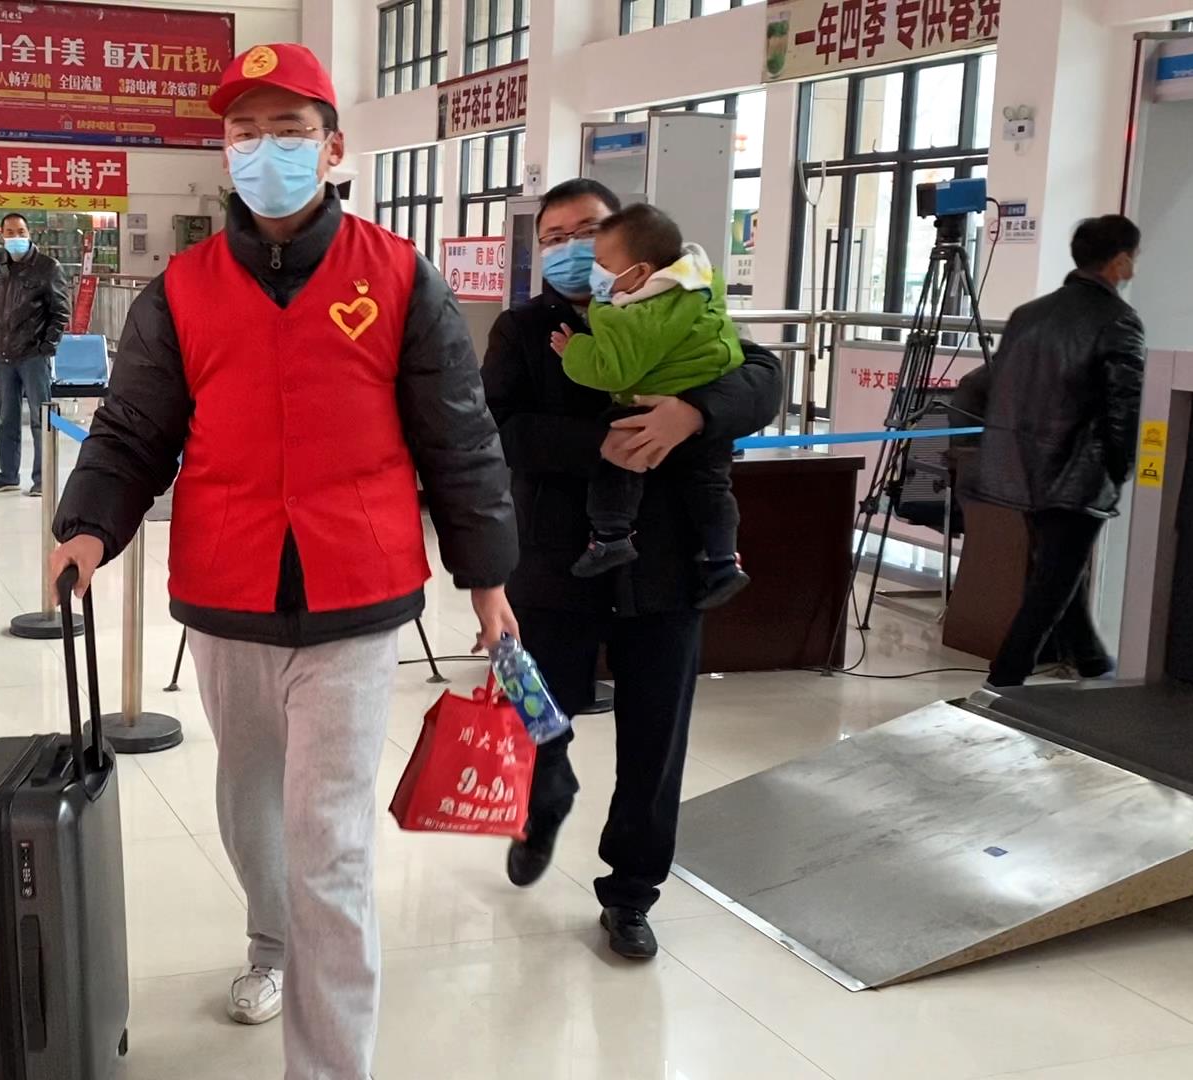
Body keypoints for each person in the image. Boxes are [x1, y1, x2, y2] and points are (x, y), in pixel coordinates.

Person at [48, 43, 519, 1079]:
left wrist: (486, 577)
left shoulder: (399, 277)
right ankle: (271, 942)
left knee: (330, 841)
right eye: (246, 132)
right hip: (228, 593)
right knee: (251, 803)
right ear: (226, 152)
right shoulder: (182, 290)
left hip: (358, 598)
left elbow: (459, 436)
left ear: (333, 148)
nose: (267, 150)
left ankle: (331, 1065)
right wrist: (87, 527)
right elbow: (133, 429)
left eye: (290, 131)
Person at [481, 178, 782, 960]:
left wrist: (695, 412)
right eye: (554, 236)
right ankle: (543, 796)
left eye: (588, 230)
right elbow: (499, 428)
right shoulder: (525, 329)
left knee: (656, 740)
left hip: (665, 564)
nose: (573, 248)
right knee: (531, 706)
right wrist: (602, 445)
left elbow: (762, 377)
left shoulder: (684, 303)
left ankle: (631, 892)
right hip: (551, 561)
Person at [970, 215, 1145, 688]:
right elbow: (1124, 406)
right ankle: (1005, 677)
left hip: (1025, 466)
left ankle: (1091, 661)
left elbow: (995, 387)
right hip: (1079, 470)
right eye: (1133, 257)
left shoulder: (1028, 314)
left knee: (1060, 569)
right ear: (1120, 261)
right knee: (1054, 580)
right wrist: (1122, 467)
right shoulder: (1118, 320)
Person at [549, 203, 748, 607]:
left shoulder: (640, 312)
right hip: (706, 415)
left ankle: (611, 535)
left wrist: (576, 350)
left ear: (641, 271)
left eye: (602, 261)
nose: (590, 266)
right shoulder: (697, 289)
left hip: (651, 406)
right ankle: (723, 561)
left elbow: (614, 370)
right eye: (553, 238)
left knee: (617, 459)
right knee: (712, 488)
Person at [0, 212, 70, 496]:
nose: (15, 237)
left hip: (33, 357)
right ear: (1, 235)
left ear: (30, 234)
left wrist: (46, 347)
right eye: (10, 232)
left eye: (21, 232)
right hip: (1, 355)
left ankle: (42, 479)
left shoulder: (48, 267)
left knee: (42, 419)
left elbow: (60, 312)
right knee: (6, 418)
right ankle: (7, 475)